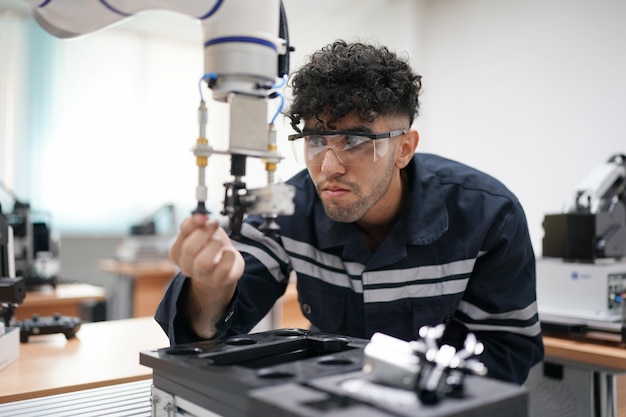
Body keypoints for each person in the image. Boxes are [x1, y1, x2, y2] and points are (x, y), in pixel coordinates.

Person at [155, 39, 544, 385]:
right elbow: (205, 333)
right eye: (316, 140)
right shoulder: (289, 204)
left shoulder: (488, 214)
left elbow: (507, 352)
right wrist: (210, 286)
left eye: (356, 140)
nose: (328, 168)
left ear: (405, 148)